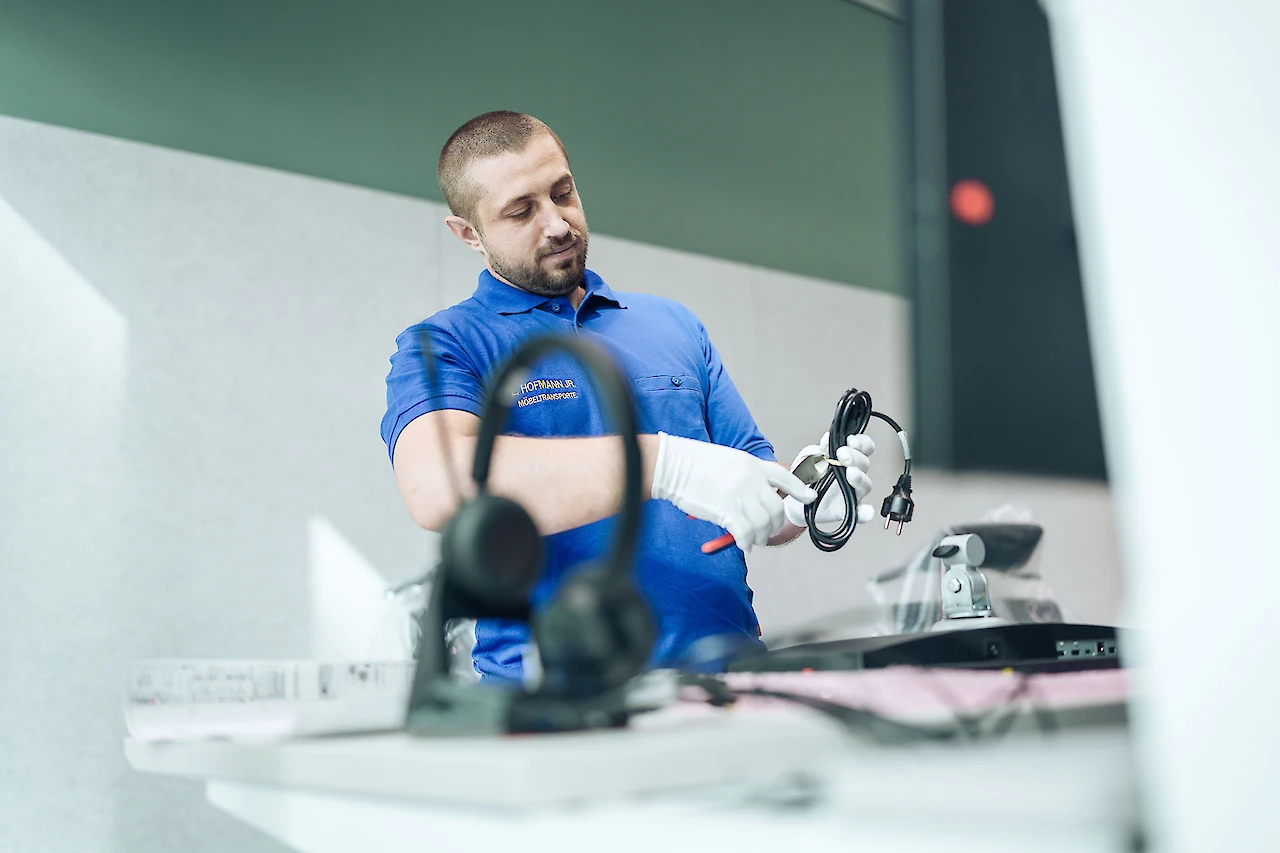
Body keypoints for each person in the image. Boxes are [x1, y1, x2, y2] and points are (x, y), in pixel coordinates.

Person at [382, 111, 875, 681]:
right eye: (521, 210)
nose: (557, 224)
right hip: (558, 704)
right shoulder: (448, 343)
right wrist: (665, 465)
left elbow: (752, 480)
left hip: (731, 682)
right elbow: (439, 485)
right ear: (469, 233)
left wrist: (804, 494)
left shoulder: (673, 325)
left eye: (563, 192)